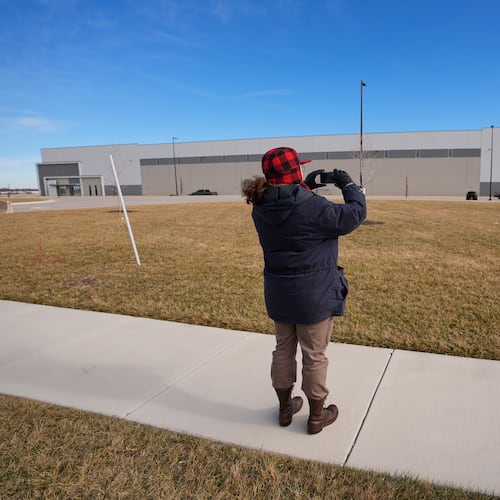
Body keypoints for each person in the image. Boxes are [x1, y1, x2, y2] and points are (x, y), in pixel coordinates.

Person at [242, 146, 366, 434]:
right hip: (314, 296)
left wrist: (305, 186)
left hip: (279, 293)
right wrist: (348, 185)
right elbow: (355, 214)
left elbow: (288, 204)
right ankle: (316, 416)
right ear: (295, 171)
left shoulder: (260, 206)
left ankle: (285, 409)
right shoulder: (313, 207)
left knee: (283, 351)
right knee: (315, 355)